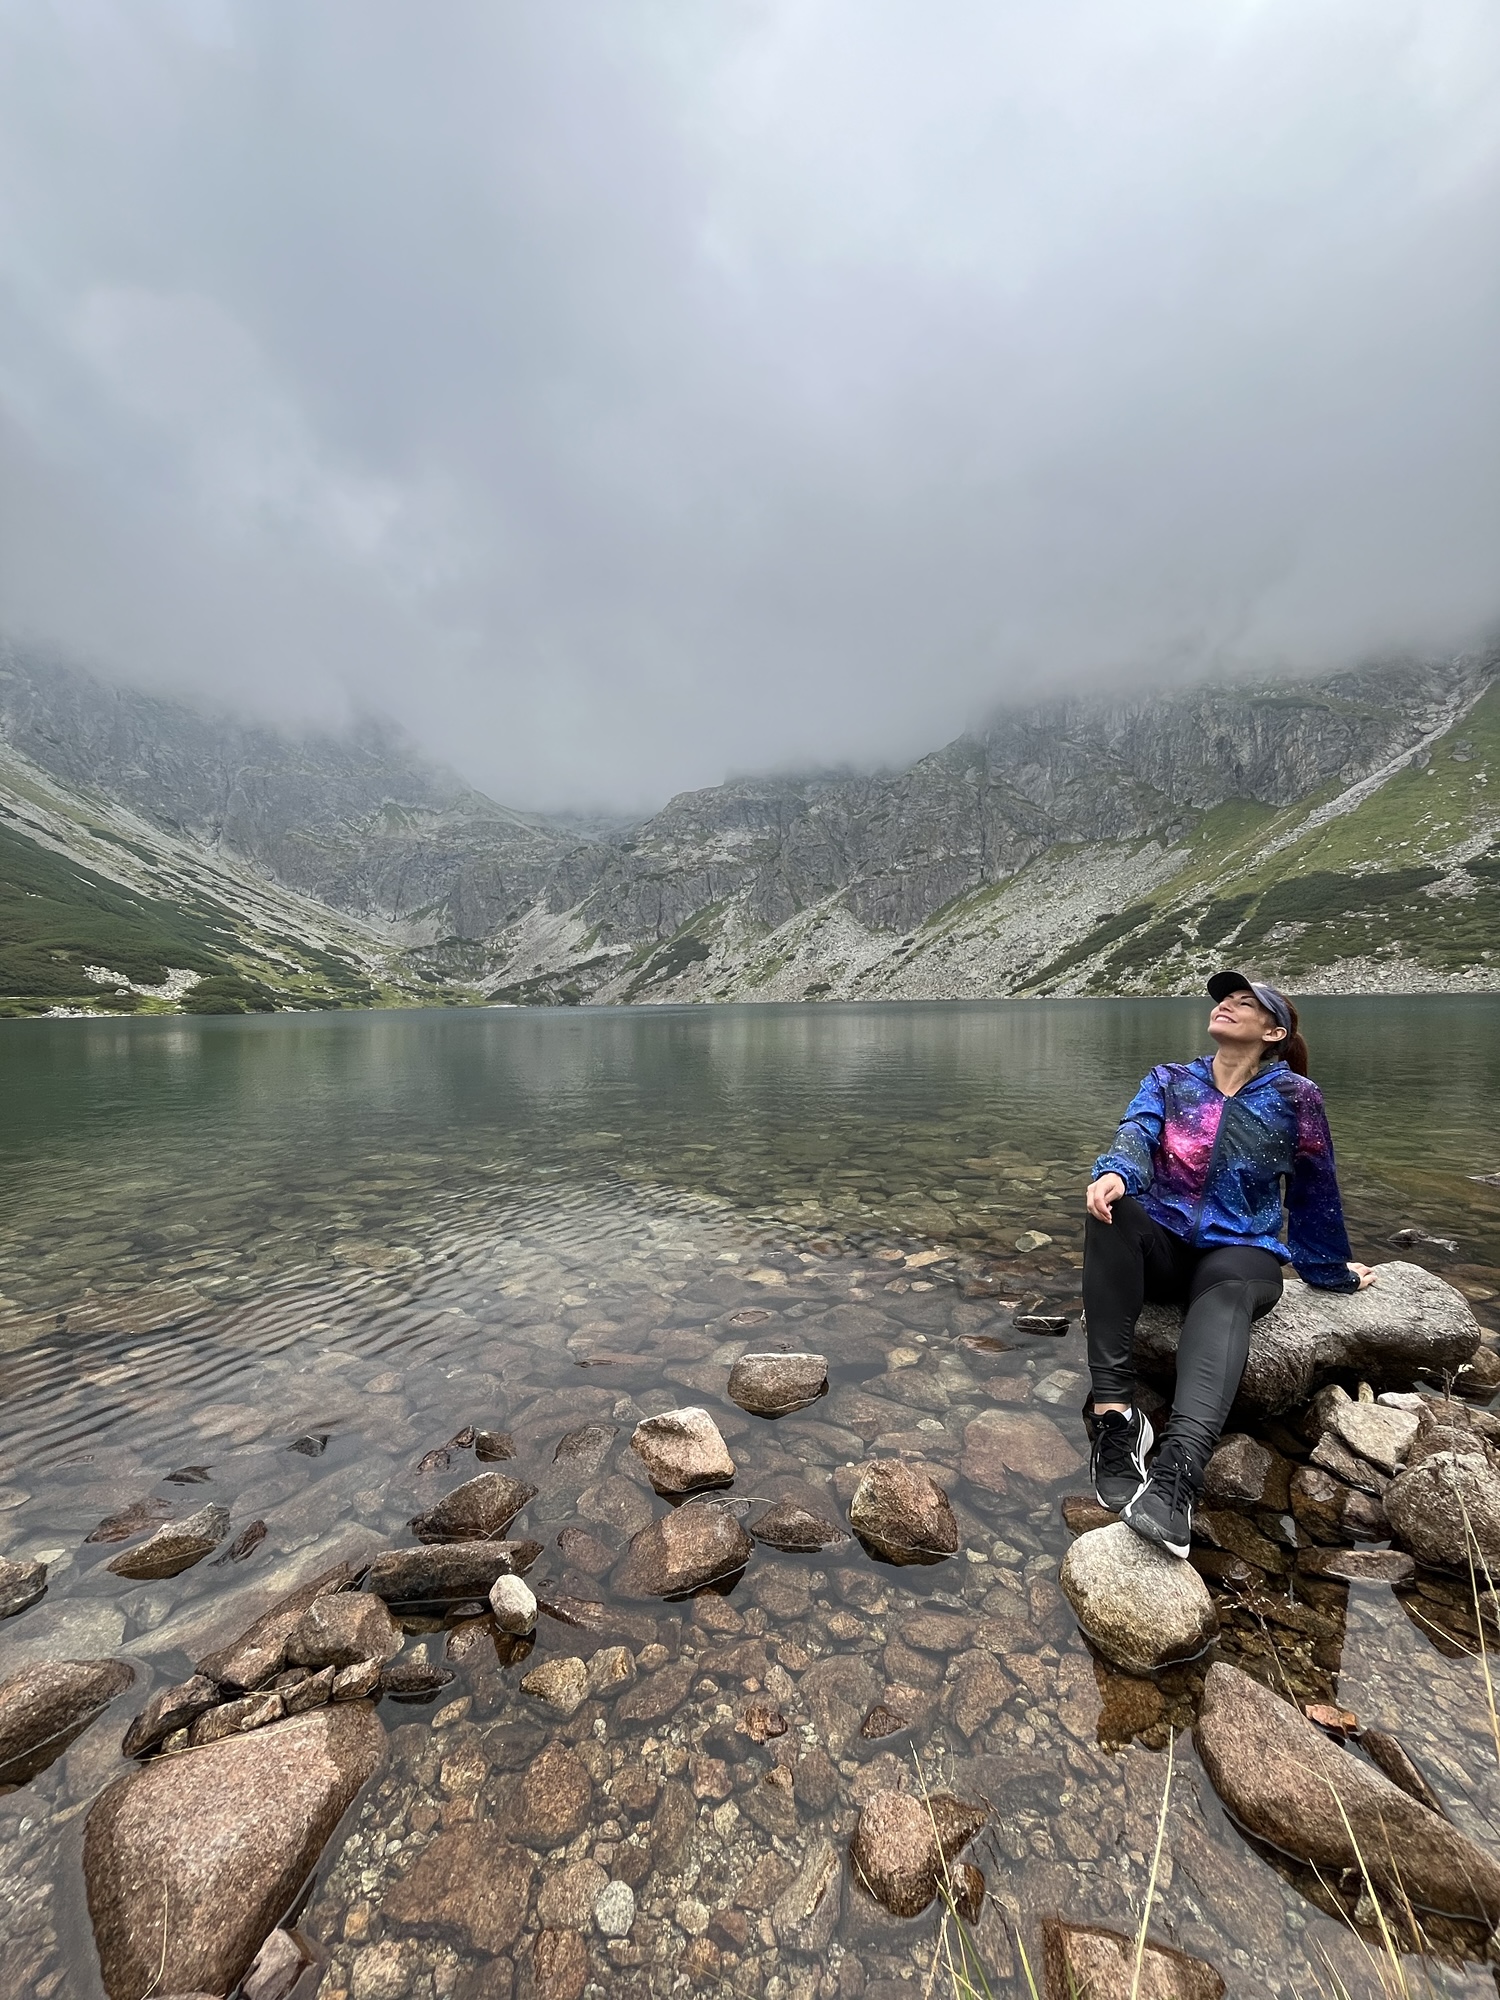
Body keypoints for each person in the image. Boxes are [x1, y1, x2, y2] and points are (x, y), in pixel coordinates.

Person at [1082, 972, 1376, 1558]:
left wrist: (1330, 1270)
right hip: (1166, 1247)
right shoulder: (1169, 1080)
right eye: (1225, 998)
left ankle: (1178, 1474)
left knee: (1226, 1286)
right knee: (1112, 1215)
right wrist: (1117, 1173)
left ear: (1274, 1032)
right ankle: (1116, 1418)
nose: (1227, 1005)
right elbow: (1136, 1131)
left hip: (1240, 1252)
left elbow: (1315, 1189)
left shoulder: (1295, 1097)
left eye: (1246, 1002)